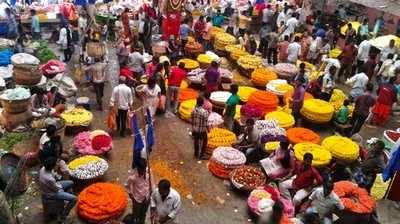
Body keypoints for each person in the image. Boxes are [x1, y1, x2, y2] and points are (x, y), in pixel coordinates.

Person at [39, 157, 76, 223]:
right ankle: (63, 216)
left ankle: (65, 200)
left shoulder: (43, 169)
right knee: (74, 199)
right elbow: (57, 189)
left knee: (71, 182)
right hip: (51, 193)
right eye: (56, 164)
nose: (57, 164)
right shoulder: (49, 179)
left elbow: (55, 176)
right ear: (52, 166)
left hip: (53, 186)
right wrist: (62, 190)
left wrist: (58, 176)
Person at [126, 159, 150, 224]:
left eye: (144, 170)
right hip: (137, 200)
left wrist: (150, 193)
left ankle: (142, 222)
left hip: (146, 198)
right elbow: (126, 185)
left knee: (143, 213)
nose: (142, 172)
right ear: (138, 168)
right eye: (141, 170)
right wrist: (130, 194)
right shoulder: (133, 177)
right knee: (136, 215)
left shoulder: (149, 173)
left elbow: (151, 183)